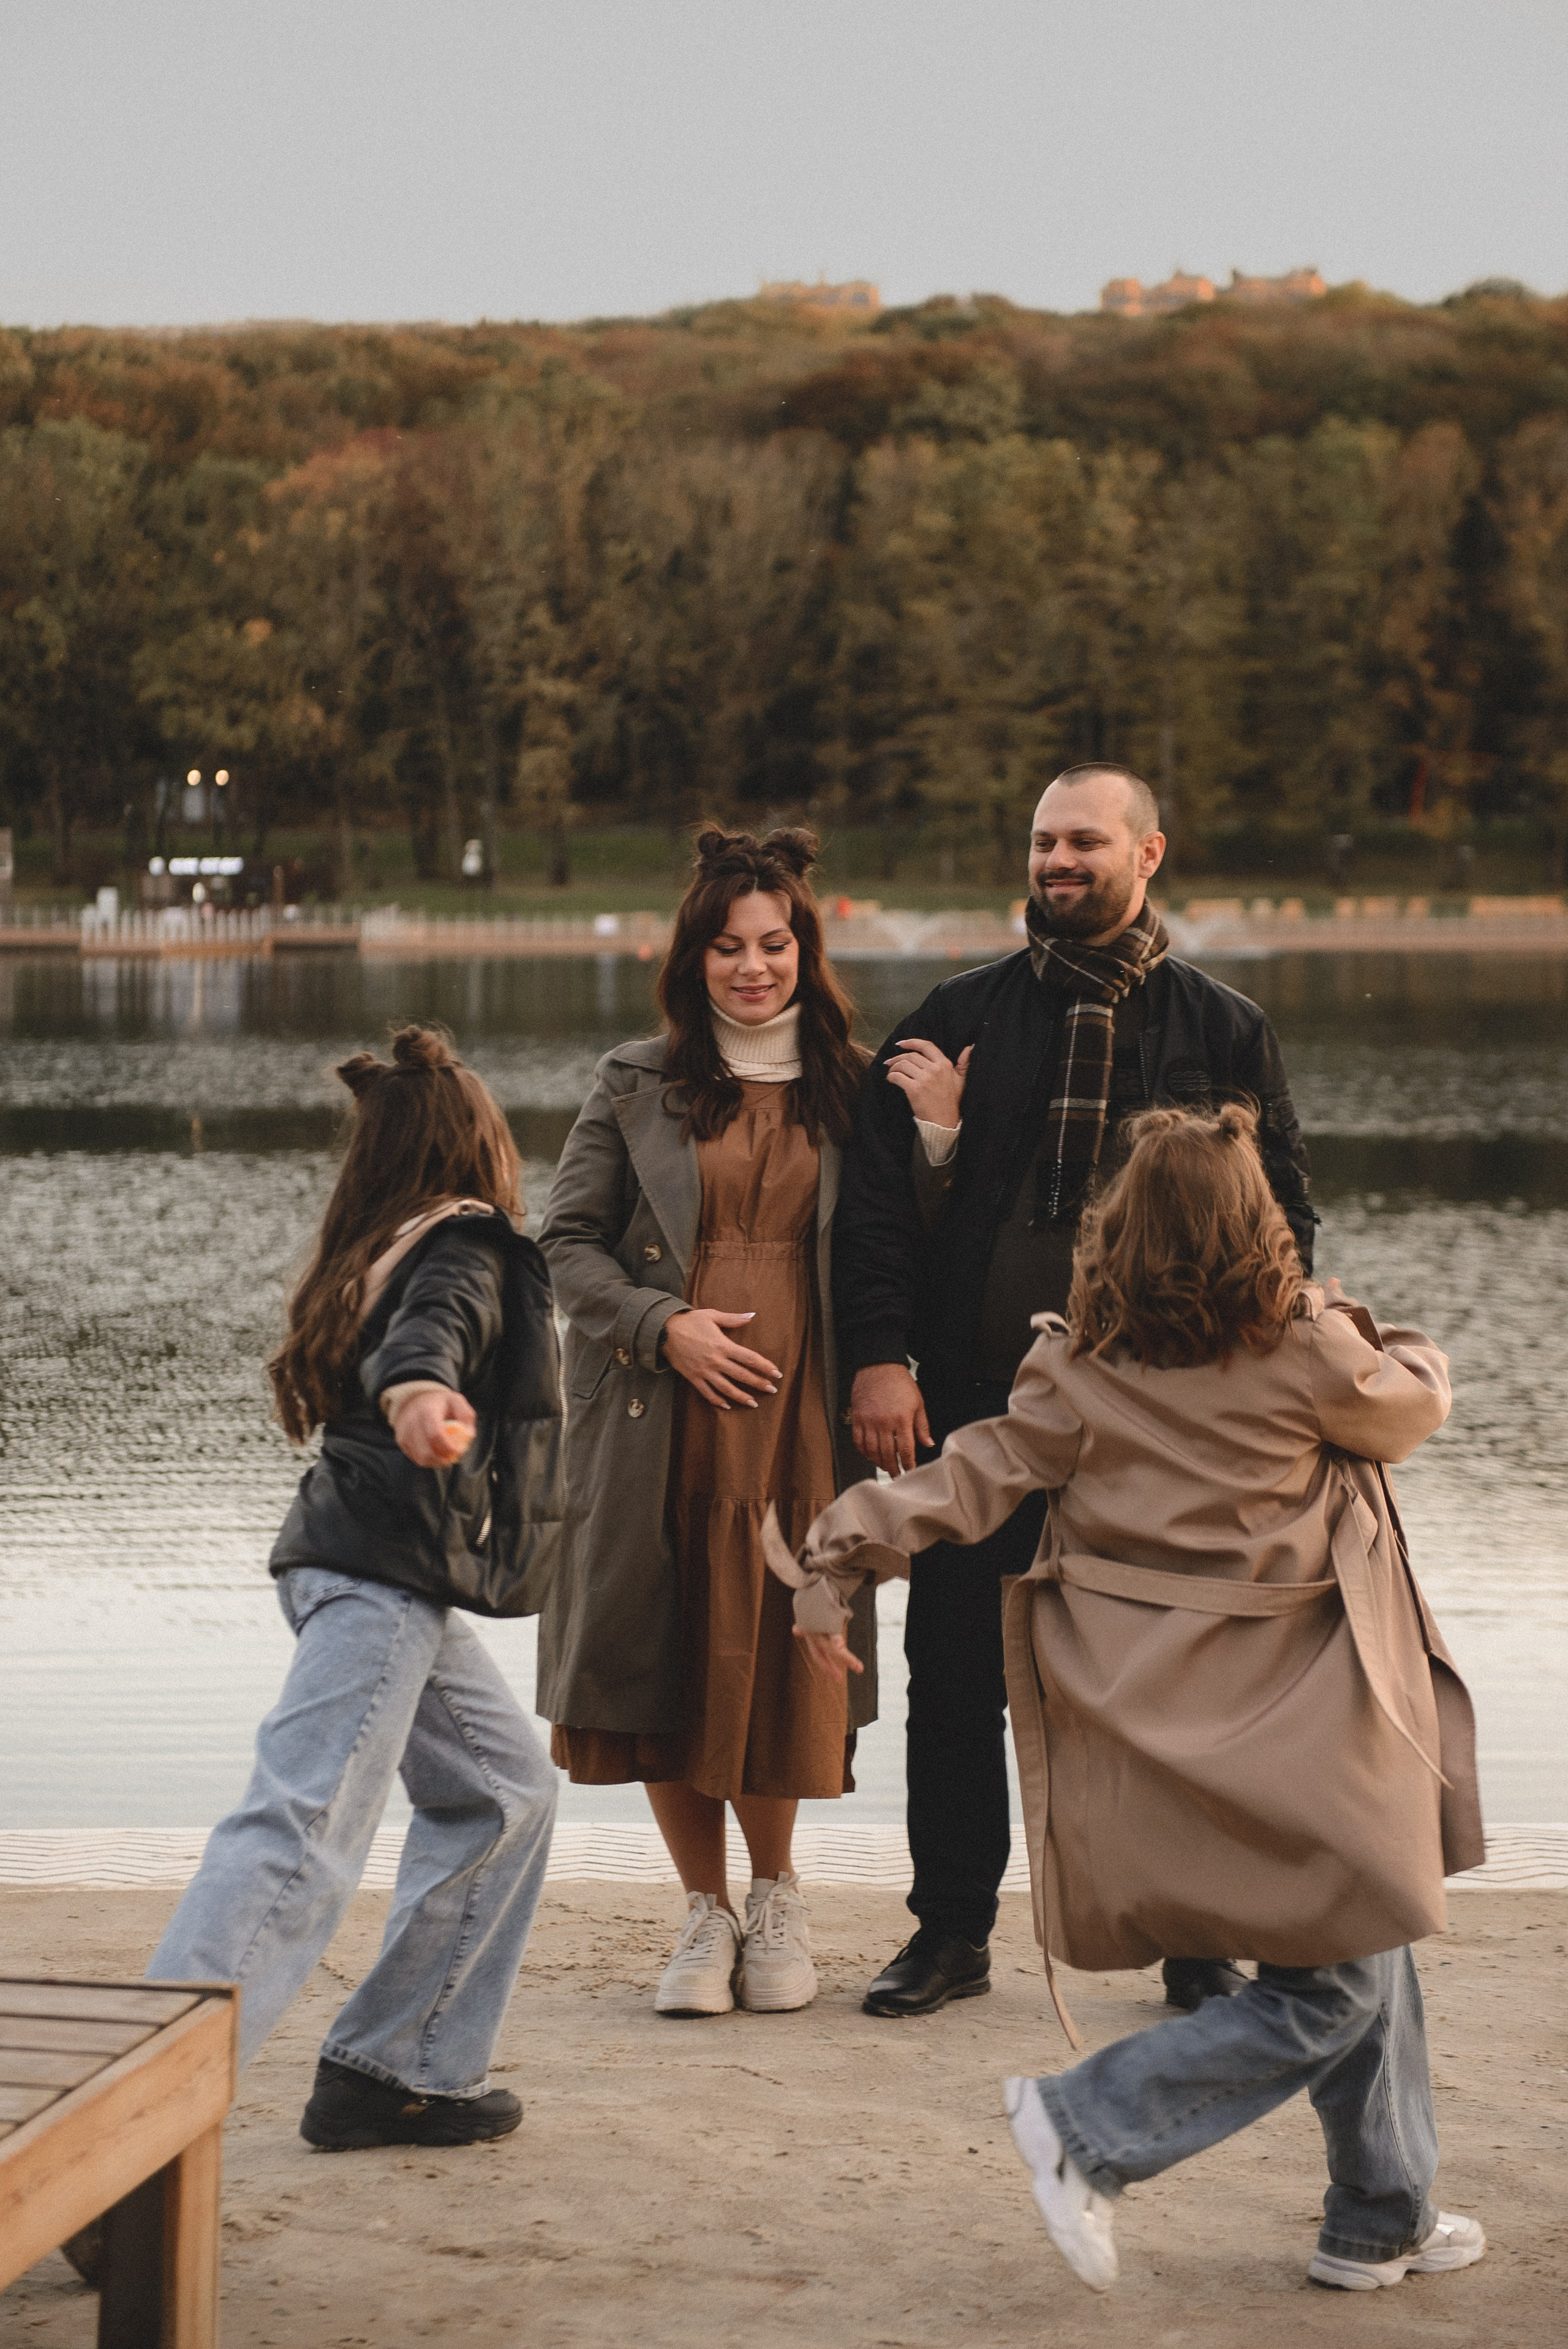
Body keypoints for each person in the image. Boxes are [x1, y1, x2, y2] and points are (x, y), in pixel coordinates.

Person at [771, 1103, 1484, 2294]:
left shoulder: (1074, 1369)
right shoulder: (1307, 1353)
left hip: (1160, 1727)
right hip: (1304, 1721)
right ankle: (1083, 2126)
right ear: (1256, 1230)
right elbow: (1410, 1404)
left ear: (1115, 1234)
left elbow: (963, 1475)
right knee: (1334, 1982)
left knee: (1369, 1932)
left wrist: (832, 1554)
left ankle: (1379, 2210)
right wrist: (1380, 1329)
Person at [834, 763, 1315, 2018]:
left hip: (1156, 1425)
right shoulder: (951, 1013)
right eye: (1043, 843)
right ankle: (948, 1932)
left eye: (1083, 843)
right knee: (950, 1676)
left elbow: (1289, 1230)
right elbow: (877, 1214)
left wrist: (1243, 1398)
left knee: (1167, 1686)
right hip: (978, 1403)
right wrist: (878, 1358)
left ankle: (1195, 1937)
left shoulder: (1222, 1032)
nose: (1057, 864)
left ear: (1147, 853)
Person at [146, 1026, 564, 2151]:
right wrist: (425, 1396)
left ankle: (397, 2068)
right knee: (300, 1831)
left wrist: (422, 1392)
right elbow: (431, 1340)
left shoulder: (381, 1238)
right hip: (378, 1581)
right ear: (478, 1144)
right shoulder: (465, 1242)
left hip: (375, 1575)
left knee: (507, 1790)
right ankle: (134, 2124)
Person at [537, 826, 876, 2019]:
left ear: (803, 949)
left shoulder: (855, 1083)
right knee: (666, 1653)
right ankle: (703, 1912)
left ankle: (778, 1895)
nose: (751, 966)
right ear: (693, 957)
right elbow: (563, 1242)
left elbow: (902, 1246)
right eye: (727, 946)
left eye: (772, 943)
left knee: (776, 1642)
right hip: (657, 1417)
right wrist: (659, 1323)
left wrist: (936, 1137)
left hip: (800, 1420)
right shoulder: (635, 1079)